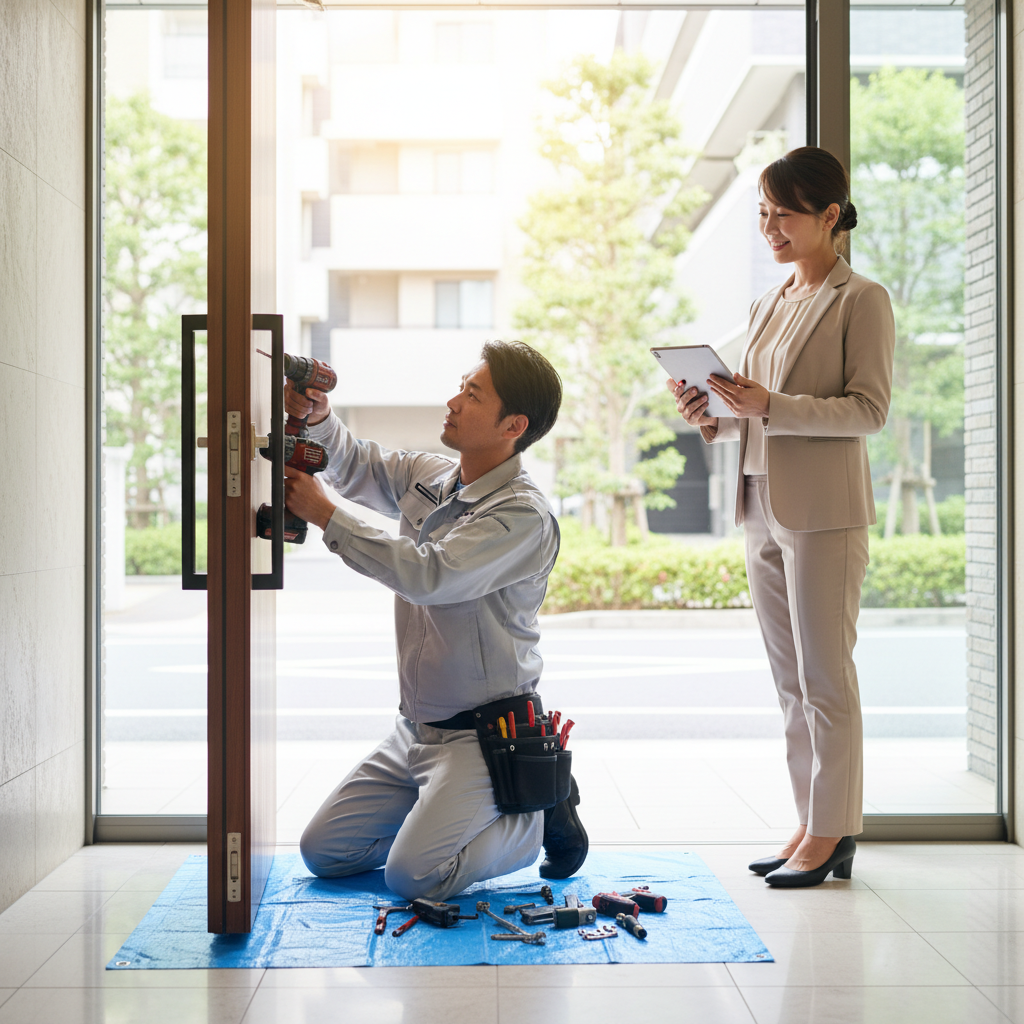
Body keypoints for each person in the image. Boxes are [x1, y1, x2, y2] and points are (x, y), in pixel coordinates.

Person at [283, 340, 588, 901]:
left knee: (413, 877)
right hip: (414, 731)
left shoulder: (522, 516)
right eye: (460, 387)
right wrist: (321, 418)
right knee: (324, 853)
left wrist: (326, 515)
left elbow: (432, 576)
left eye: (473, 395)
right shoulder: (432, 475)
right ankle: (444, 819)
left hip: (484, 738)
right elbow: (357, 464)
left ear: (513, 425)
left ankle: (536, 815)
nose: (453, 402)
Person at [670, 147, 895, 887]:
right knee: (790, 682)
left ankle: (833, 831)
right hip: (760, 500)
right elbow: (754, 410)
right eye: (763, 214)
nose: (770, 228)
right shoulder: (768, 303)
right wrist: (712, 415)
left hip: (824, 511)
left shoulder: (862, 299)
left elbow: (868, 411)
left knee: (826, 677)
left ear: (830, 216)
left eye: (784, 215)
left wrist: (772, 404)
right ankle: (809, 820)